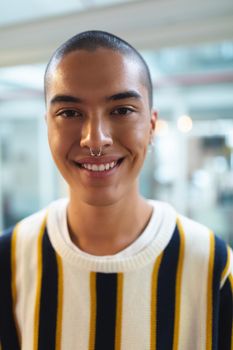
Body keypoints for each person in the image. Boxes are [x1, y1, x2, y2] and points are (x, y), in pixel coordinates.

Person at [0, 30, 232, 350]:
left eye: (121, 110)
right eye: (69, 113)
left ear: (151, 125)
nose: (95, 140)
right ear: (48, 125)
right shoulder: (8, 260)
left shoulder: (214, 266)